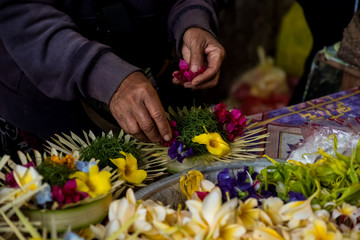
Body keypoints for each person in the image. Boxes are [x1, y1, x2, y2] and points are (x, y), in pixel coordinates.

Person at [0, 0, 226, 147]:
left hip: (159, 80)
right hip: (49, 106)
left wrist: (193, 20)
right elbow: (18, 12)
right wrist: (103, 74)